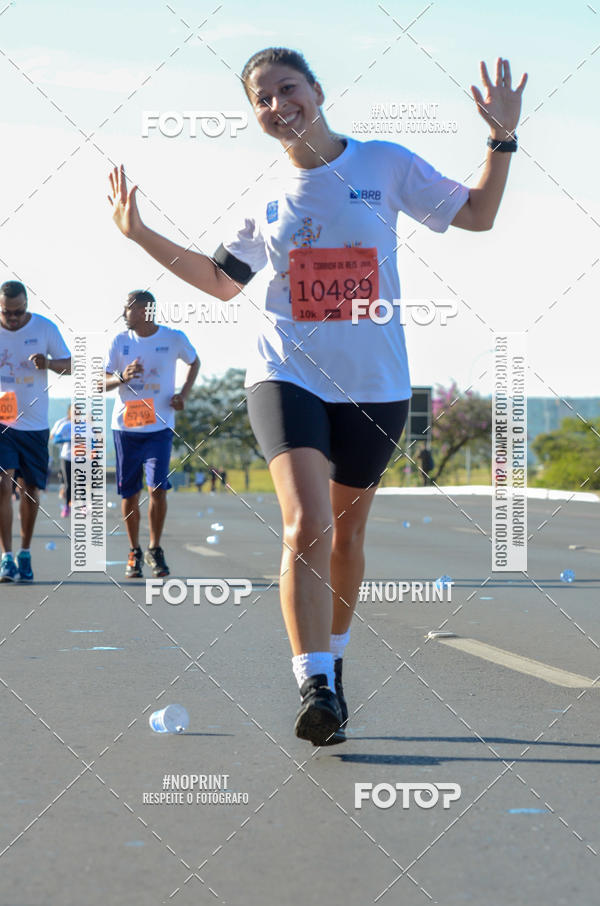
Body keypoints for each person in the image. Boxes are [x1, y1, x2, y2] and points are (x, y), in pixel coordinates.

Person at [108, 49, 527, 745]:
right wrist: (141, 234)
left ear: (318, 90)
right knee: (306, 524)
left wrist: (501, 139)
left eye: (287, 89)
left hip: (374, 386)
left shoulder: (383, 164)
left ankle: (333, 658)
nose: (278, 106)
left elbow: (478, 214)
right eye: (262, 99)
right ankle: (316, 684)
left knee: (347, 537)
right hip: (286, 375)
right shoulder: (267, 199)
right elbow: (221, 282)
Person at [104, 291, 199, 579]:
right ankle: (134, 551)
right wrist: (122, 377)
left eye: (129, 308)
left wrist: (183, 394)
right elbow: (100, 382)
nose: (124, 313)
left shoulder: (173, 338)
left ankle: (155, 548)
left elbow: (194, 362)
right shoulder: (120, 341)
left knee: (157, 487)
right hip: (126, 428)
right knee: (129, 493)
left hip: (160, 426)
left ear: (146, 311)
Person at [0, 281, 71, 581]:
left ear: (26, 305)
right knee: (2, 485)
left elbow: (71, 365)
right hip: (2, 423)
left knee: (30, 490)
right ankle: (6, 557)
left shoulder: (44, 328)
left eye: (18, 312)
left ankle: (25, 553)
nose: (13, 318)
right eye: (6, 312)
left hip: (35, 424)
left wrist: (49, 363)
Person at [50, 404, 73, 517]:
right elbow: (53, 437)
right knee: (67, 482)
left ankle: (80, 505)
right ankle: (67, 505)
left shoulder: (84, 425)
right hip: (65, 456)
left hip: (81, 458)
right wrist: (68, 439)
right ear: (69, 412)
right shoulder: (63, 423)